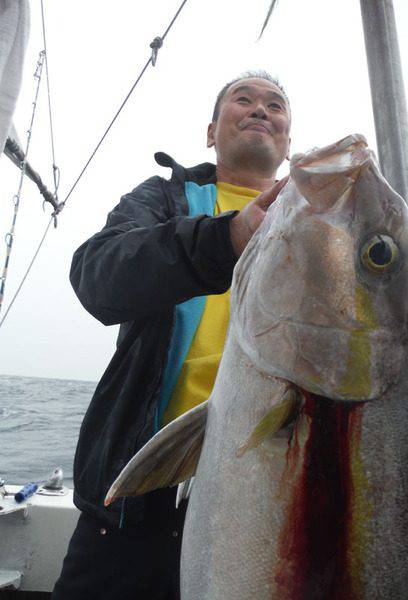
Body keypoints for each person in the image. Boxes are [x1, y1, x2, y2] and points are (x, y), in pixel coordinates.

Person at [52, 70, 291, 600]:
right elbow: (98, 278)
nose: (260, 109)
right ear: (211, 132)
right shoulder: (164, 198)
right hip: (135, 497)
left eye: (275, 105)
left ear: (289, 141)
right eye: (243, 99)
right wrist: (224, 237)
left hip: (264, 494)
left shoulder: (314, 218)